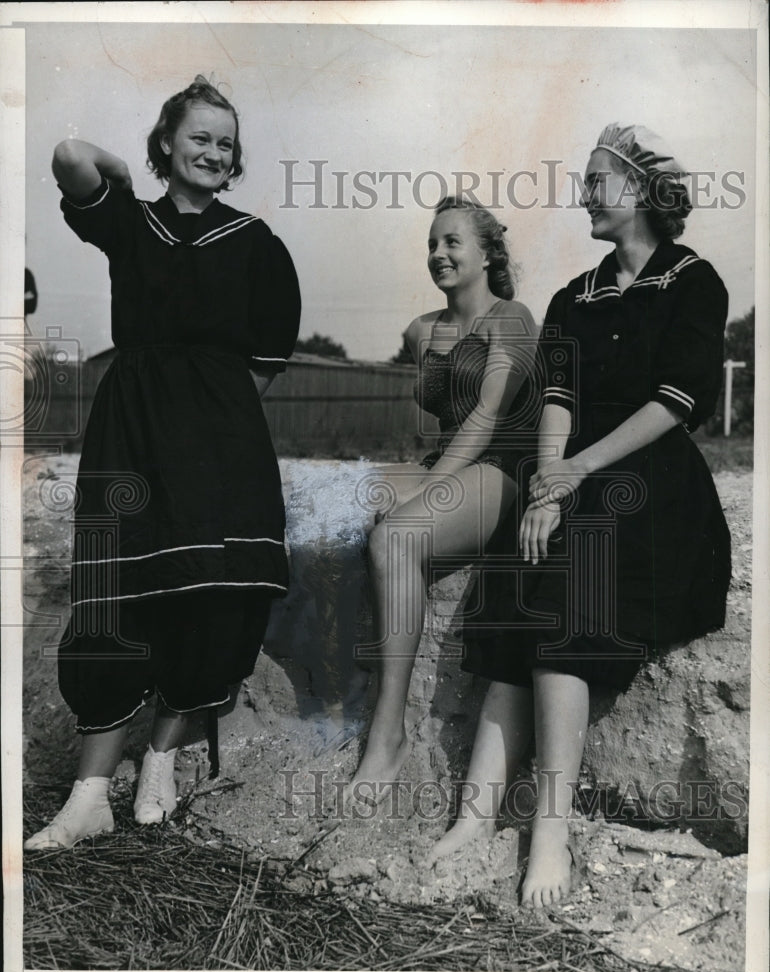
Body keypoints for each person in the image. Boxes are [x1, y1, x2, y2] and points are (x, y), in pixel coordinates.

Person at [427, 124, 732, 907]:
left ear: (640, 190)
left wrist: (574, 477)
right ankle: (474, 813)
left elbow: (676, 401)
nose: (586, 193)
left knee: (568, 581)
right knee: (517, 588)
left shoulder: (695, 282)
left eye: (598, 179)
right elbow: (558, 401)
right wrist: (546, 487)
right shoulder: (574, 296)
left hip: (652, 484)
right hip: (575, 473)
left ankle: (551, 830)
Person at [25, 76, 301, 850]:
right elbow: (68, 155)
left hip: (221, 441)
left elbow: (259, 370)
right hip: (131, 433)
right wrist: (128, 168)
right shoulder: (131, 224)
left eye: (225, 143)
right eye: (199, 138)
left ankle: (160, 764)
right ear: (168, 145)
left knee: (214, 597)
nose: (215, 153)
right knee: (114, 601)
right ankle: (86, 800)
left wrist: (203, 420)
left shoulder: (256, 245)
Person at [348, 196, 539, 802]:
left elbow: (485, 419)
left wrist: (427, 489)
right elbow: (438, 428)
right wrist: (412, 479)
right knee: (337, 504)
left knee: (394, 535)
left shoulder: (513, 318)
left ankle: (388, 736)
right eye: (432, 243)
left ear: (487, 254)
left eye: (453, 242)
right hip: (448, 463)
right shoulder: (420, 331)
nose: (438, 254)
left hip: (503, 468)